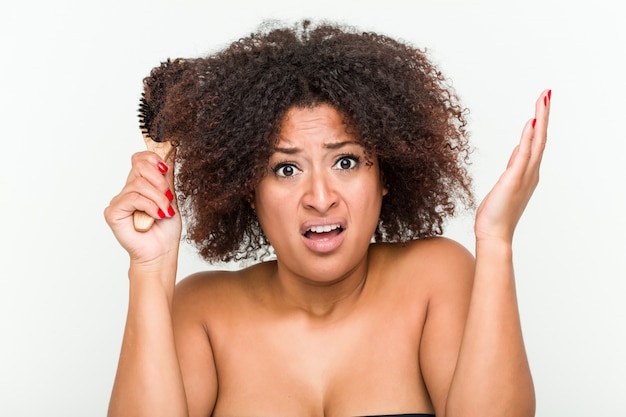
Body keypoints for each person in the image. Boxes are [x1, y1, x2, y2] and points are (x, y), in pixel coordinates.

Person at [104, 19, 550, 417]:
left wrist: (495, 242)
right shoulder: (202, 311)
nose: (320, 198)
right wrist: (150, 267)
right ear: (249, 191)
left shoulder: (436, 278)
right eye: (286, 169)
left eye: (346, 162)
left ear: (385, 175)